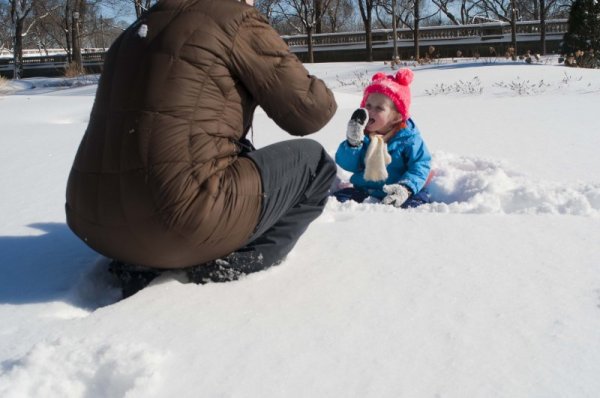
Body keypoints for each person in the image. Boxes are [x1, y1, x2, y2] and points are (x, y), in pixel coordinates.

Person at [65, 0, 337, 298]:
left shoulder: (136, 28)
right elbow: (311, 112)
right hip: (176, 224)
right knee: (316, 164)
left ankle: (144, 257)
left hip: (92, 220)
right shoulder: (235, 19)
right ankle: (231, 260)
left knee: (229, 150)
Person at [334, 69, 432, 208]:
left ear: (396, 117)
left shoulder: (408, 139)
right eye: (368, 105)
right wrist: (352, 144)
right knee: (340, 199)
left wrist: (406, 187)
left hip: (399, 190)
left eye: (379, 108)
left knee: (416, 204)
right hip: (365, 190)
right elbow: (348, 165)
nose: (370, 111)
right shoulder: (363, 136)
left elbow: (421, 165)